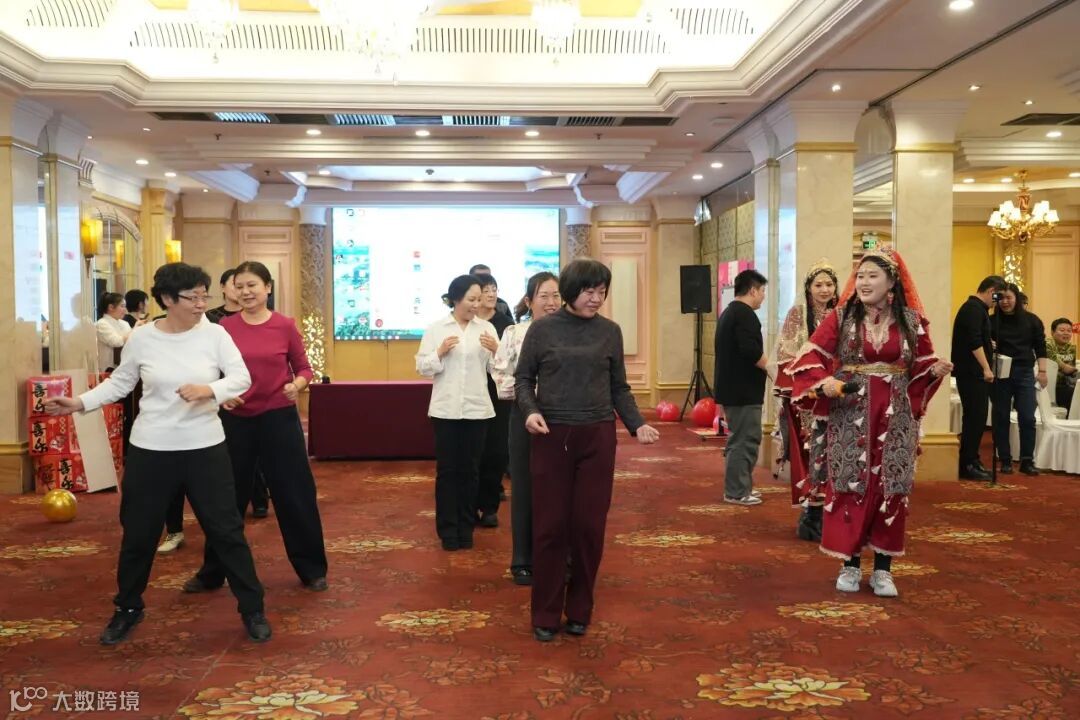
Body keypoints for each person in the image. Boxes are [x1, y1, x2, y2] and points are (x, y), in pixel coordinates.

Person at [44, 262, 270, 645]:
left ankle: (253, 608)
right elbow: (121, 382)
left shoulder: (215, 334)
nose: (201, 304)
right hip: (152, 448)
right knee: (139, 532)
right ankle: (128, 607)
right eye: (192, 297)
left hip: (205, 447)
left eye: (204, 296)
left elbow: (240, 378)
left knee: (226, 530)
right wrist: (79, 402)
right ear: (167, 299)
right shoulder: (143, 337)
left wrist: (209, 390)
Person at [789, 247, 951, 598]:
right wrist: (823, 382)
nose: (863, 282)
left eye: (872, 276)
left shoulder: (911, 321)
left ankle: (883, 569)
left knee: (890, 486)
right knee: (850, 482)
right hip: (850, 411)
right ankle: (848, 564)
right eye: (860, 276)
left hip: (895, 416)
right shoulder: (842, 317)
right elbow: (809, 355)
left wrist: (933, 370)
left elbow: (921, 364)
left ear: (891, 282)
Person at [515, 259, 659, 642]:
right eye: (589, 291)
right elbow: (524, 378)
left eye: (602, 292)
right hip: (551, 435)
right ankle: (545, 613)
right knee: (550, 527)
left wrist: (637, 423)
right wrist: (530, 411)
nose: (596, 298)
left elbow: (619, 387)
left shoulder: (610, 332)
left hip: (597, 436)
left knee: (588, 527)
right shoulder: (542, 330)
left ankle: (580, 609)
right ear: (570, 291)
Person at [184, 261, 328, 594]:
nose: (246, 292)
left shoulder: (284, 325)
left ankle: (312, 569)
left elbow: (304, 368)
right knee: (226, 498)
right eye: (240, 286)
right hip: (235, 419)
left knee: (295, 495)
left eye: (252, 285)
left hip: (279, 418)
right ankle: (213, 572)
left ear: (268, 288)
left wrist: (297, 385)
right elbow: (211, 371)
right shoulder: (223, 328)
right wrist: (221, 394)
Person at [416, 275, 499, 551]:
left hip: (477, 410)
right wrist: (439, 352)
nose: (476, 305)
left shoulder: (486, 328)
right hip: (446, 410)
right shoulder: (436, 329)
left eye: (479, 299)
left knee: (471, 471)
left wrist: (497, 351)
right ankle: (448, 531)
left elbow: (499, 370)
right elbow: (423, 368)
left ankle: (466, 529)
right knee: (448, 472)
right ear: (455, 299)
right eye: (471, 299)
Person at [491, 271, 561, 585]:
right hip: (524, 417)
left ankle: (560, 557)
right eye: (544, 296)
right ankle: (522, 560)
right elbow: (501, 377)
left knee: (560, 489)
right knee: (524, 487)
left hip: (564, 418)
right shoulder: (514, 333)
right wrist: (532, 398)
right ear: (529, 301)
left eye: (556, 295)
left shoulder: (572, 331)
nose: (551, 302)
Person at [773, 260, 838, 540]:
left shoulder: (842, 314)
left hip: (836, 397)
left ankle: (835, 515)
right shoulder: (797, 315)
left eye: (829, 284)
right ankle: (812, 514)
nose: (824, 290)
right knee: (811, 456)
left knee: (835, 455)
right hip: (806, 400)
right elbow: (787, 355)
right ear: (808, 288)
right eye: (818, 284)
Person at [713, 269, 770, 507]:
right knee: (744, 441)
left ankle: (741, 487)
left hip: (734, 390)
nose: (763, 296)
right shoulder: (744, 314)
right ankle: (736, 492)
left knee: (742, 439)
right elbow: (750, 350)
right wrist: (773, 368)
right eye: (762, 291)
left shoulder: (730, 312)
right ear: (753, 290)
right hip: (743, 391)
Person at [951, 275, 1006, 481]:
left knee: (978, 417)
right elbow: (974, 342)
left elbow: (977, 338)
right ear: (992, 291)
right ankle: (968, 463)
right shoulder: (973, 310)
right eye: (997, 297)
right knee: (975, 417)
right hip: (972, 373)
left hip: (973, 372)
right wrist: (986, 368)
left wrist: (988, 343)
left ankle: (972, 459)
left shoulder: (976, 310)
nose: (997, 302)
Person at [990, 283, 1048, 476]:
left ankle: (1026, 460)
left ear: (1017, 298)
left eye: (1009, 297)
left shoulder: (1032, 320)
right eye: (1001, 298)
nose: (1005, 302)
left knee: (1028, 417)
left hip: (1024, 371)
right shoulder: (991, 321)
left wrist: (1042, 371)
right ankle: (1005, 460)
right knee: (1001, 416)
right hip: (1000, 372)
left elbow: (1040, 347)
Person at [474, 274, 514, 529]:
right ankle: (470, 504)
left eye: (494, 289)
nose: (491, 294)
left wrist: (497, 348)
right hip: (472, 392)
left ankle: (489, 507)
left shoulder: (506, 324)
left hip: (498, 394)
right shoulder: (468, 322)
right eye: (485, 290)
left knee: (496, 450)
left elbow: (513, 359)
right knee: (473, 452)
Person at [95, 292, 140, 371]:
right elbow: (116, 342)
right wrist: (135, 328)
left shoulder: (125, 323)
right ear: (111, 307)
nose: (125, 310)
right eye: (122, 306)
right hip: (108, 369)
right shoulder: (101, 324)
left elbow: (133, 341)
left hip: (126, 366)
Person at [1046, 318, 1077, 410]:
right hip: (1048, 385)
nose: (1066, 333)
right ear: (1052, 332)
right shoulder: (1047, 344)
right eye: (1062, 330)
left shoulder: (1071, 348)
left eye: (1069, 331)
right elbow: (1054, 361)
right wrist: (1065, 368)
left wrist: (1071, 371)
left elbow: (1071, 370)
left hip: (1065, 384)